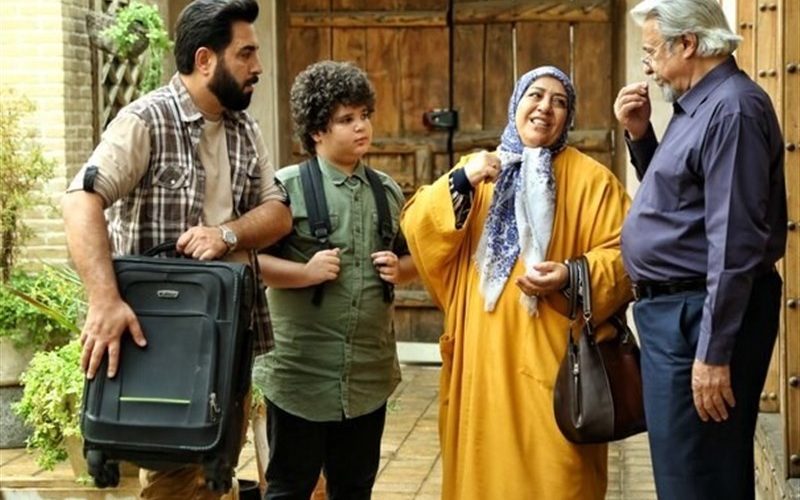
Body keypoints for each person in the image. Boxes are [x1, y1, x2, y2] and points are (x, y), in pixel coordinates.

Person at [61, 0, 292, 498]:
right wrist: (104, 301)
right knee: (174, 477)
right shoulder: (145, 120)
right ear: (205, 60)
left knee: (216, 469)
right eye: (246, 53)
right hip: (162, 338)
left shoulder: (245, 129)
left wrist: (226, 233)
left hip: (229, 338)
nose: (258, 66)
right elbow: (80, 201)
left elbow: (278, 212)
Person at [400, 65, 632, 500]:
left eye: (559, 102)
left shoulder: (593, 182)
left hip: (554, 367)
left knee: (558, 477)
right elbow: (416, 228)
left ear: (569, 117)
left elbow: (626, 256)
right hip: (480, 361)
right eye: (535, 95)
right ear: (516, 104)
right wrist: (461, 181)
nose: (545, 107)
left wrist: (571, 274)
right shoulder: (479, 170)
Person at [613, 0, 787, 498]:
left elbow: (735, 242)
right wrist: (641, 136)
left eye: (651, 52)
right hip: (679, 315)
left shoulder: (732, 109)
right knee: (688, 473)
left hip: (697, 317)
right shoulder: (698, 105)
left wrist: (713, 353)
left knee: (699, 478)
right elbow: (681, 202)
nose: (648, 66)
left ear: (687, 43)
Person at [254, 60, 416, 500]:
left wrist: (401, 269)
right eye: (346, 119)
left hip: (367, 375)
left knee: (354, 488)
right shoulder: (283, 189)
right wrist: (304, 273)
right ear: (316, 131)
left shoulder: (387, 191)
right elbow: (249, 262)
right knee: (289, 487)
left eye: (364, 115)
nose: (361, 126)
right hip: (299, 375)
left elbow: (413, 258)